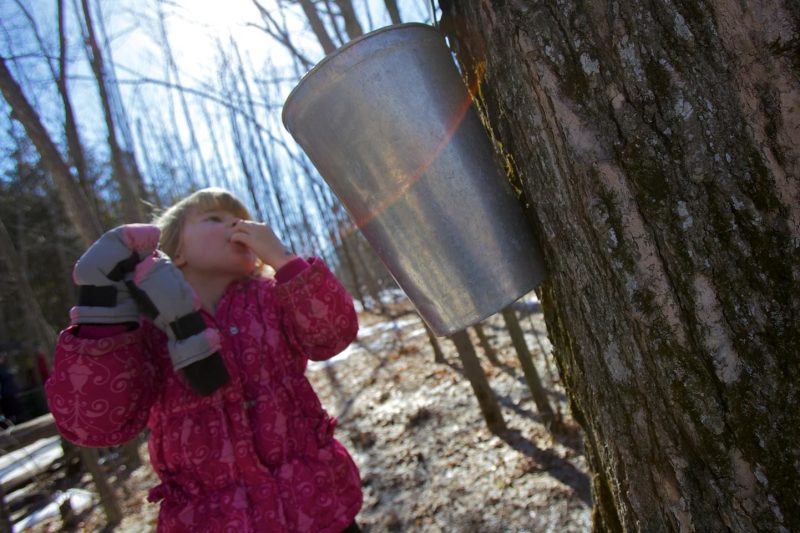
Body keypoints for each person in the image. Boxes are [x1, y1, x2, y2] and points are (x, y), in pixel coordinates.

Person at [45, 188, 363, 532]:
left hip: (321, 506)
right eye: (215, 218)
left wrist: (285, 260)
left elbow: (333, 336)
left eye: (240, 217)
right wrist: (102, 313)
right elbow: (95, 423)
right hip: (212, 521)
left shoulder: (272, 298)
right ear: (175, 251)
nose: (238, 225)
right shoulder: (144, 328)